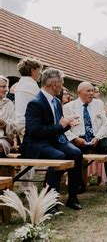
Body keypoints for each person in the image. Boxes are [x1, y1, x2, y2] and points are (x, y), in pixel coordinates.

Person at [20, 68, 83, 212]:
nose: (62, 87)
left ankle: (72, 197)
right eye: (61, 84)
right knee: (58, 156)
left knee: (76, 153)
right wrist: (61, 125)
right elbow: (35, 131)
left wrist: (67, 125)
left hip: (54, 141)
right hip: (37, 143)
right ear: (54, 84)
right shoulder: (35, 103)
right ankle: (50, 201)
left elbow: (58, 127)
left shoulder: (55, 101)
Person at [63, 82, 107, 187]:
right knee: (74, 154)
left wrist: (98, 137)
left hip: (96, 137)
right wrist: (75, 139)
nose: (91, 93)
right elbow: (64, 128)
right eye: (88, 91)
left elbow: (105, 123)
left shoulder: (98, 104)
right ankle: (78, 185)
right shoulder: (69, 107)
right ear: (79, 92)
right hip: (78, 138)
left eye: (92, 90)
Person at [14, 57, 42, 143]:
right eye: (39, 70)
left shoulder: (20, 84)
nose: (40, 73)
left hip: (19, 122)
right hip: (29, 125)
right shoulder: (31, 86)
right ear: (33, 70)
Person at [0, 76, 16, 158]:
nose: (6, 89)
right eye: (3, 87)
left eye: (7, 86)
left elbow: (14, 125)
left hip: (4, 139)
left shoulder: (9, 104)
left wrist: (5, 124)